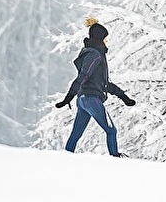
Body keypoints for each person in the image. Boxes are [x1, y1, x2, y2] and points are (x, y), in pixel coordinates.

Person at [57, 17, 136, 156]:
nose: (107, 41)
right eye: (105, 38)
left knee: (76, 135)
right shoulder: (94, 55)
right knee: (111, 130)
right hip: (91, 99)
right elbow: (83, 76)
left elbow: (104, 84)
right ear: (100, 38)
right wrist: (68, 97)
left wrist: (124, 97)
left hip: (84, 100)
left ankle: (66, 157)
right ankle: (115, 158)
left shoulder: (95, 54)